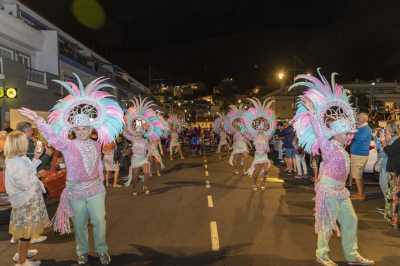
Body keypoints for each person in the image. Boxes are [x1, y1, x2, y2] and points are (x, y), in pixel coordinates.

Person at [18, 74, 124, 265]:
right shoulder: (68, 144)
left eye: (86, 128)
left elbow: (99, 163)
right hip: (75, 191)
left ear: (91, 128)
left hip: (95, 189)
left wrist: (101, 179)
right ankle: (82, 252)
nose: (82, 131)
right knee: (80, 225)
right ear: (73, 129)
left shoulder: (96, 144)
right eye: (79, 128)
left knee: (100, 221)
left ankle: (102, 250)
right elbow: (52, 137)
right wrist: (38, 120)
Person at [290, 69, 374, 266]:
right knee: (327, 224)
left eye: (348, 133)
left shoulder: (343, 148)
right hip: (328, 189)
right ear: (335, 134)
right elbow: (320, 132)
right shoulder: (327, 146)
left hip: (341, 191)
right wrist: (312, 111)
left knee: (351, 220)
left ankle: (352, 256)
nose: (347, 136)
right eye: (344, 133)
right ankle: (322, 254)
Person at [5, 131, 51, 266]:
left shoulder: (18, 158)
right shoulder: (15, 162)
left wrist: (36, 158)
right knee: (25, 232)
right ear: (19, 144)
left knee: (26, 230)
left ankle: (22, 253)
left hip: (27, 199)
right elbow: (25, 183)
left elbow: (28, 169)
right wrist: (38, 175)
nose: (28, 143)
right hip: (26, 201)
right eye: (25, 141)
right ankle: (22, 261)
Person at [243, 98, 275, 191]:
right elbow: (244, 133)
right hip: (257, 156)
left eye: (263, 126)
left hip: (264, 156)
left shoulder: (267, 136)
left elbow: (268, 147)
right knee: (256, 172)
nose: (261, 128)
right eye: (259, 126)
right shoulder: (254, 136)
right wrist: (240, 127)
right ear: (256, 128)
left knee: (265, 171)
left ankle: (263, 183)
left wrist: (268, 150)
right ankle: (254, 184)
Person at [382, 121, 400, 229]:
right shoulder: (397, 140)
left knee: (394, 197)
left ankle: (394, 221)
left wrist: (384, 143)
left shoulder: (397, 141)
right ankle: (393, 219)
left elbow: (389, 151)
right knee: (394, 196)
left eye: (387, 129)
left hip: (396, 173)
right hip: (395, 172)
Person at [349, 112, 372, 200]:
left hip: (359, 155)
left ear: (364, 119)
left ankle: (361, 195)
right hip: (359, 154)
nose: (357, 119)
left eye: (358, 118)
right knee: (358, 175)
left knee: (357, 176)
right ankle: (360, 193)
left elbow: (358, 138)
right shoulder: (363, 128)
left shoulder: (365, 129)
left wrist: (353, 133)